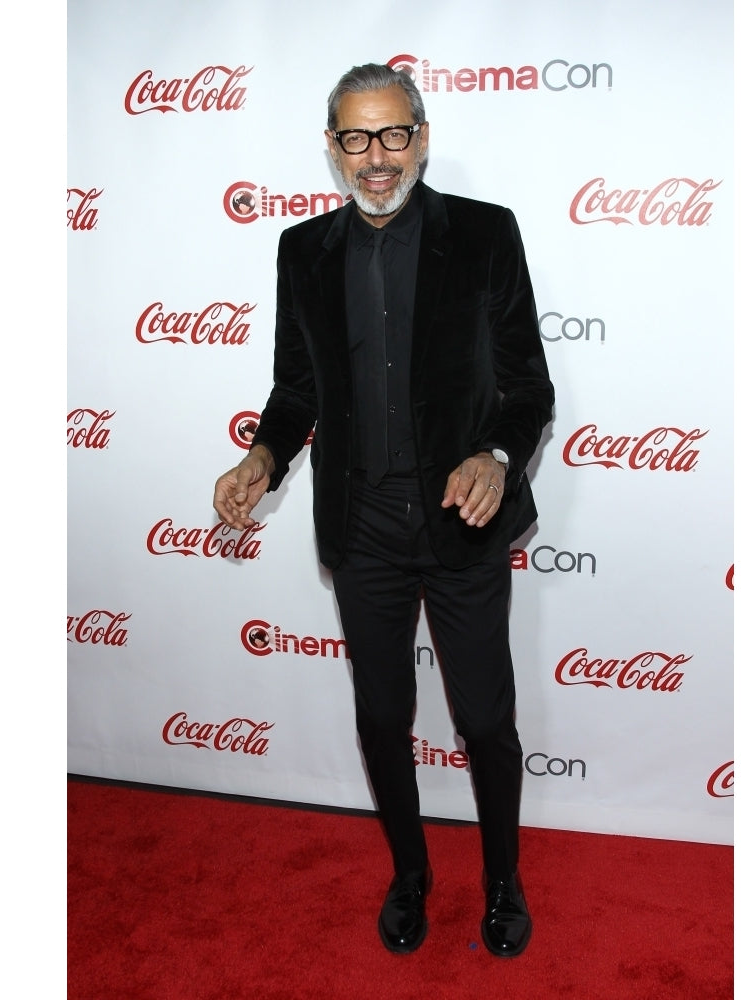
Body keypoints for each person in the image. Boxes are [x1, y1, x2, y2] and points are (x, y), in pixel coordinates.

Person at [213, 63, 554, 957]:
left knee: (484, 719)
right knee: (380, 715)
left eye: (394, 134)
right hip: (360, 526)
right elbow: (296, 390)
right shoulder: (302, 250)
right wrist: (265, 451)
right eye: (356, 138)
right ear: (332, 147)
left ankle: (503, 880)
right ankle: (410, 874)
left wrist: (495, 454)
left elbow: (530, 389)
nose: (377, 157)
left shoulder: (486, 236)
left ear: (423, 137)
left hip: (462, 518)